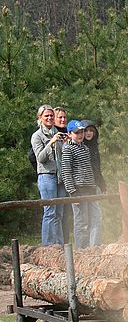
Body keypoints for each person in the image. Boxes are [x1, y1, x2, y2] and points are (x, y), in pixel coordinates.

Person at [30, 104, 68, 245]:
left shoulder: (57, 132)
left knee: (59, 213)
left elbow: (63, 155)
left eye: (51, 115)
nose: (49, 118)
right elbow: (40, 158)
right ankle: (47, 246)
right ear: (40, 118)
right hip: (46, 176)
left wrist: (65, 143)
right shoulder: (37, 136)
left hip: (59, 177)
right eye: (46, 115)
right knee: (50, 212)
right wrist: (51, 143)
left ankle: (59, 245)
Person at [60, 120, 102, 249]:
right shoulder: (67, 149)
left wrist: (95, 185)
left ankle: (94, 247)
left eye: (82, 131)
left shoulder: (85, 148)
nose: (80, 134)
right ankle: (82, 250)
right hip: (78, 189)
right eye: (77, 132)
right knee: (81, 222)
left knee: (96, 217)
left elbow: (89, 169)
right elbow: (66, 171)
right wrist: (72, 192)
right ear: (70, 133)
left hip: (90, 188)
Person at [53, 106, 73, 244]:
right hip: (54, 178)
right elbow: (33, 156)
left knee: (67, 213)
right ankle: (55, 244)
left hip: (69, 178)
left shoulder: (69, 133)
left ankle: (66, 242)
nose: (62, 119)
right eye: (59, 117)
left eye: (64, 117)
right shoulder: (51, 134)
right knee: (55, 212)